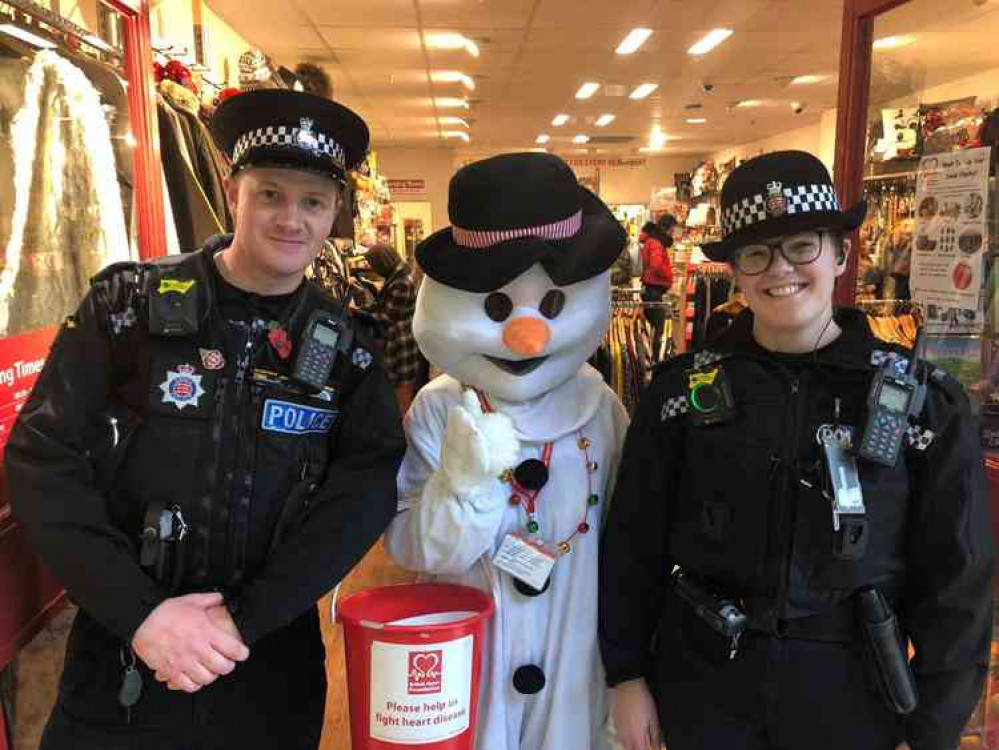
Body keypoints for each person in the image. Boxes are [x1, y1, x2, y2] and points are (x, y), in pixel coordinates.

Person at [6, 89, 406, 750]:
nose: (290, 219)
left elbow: (359, 495)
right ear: (231, 191)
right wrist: (142, 615)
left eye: (312, 201)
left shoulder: (347, 350)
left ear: (334, 211)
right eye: (270, 194)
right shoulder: (126, 307)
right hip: (126, 651)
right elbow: (43, 457)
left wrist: (241, 621)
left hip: (266, 658)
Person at [600, 150, 995, 750]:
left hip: (852, 695)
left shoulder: (921, 405)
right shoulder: (681, 393)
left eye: (802, 245)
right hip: (705, 687)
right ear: (734, 270)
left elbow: (957, 581)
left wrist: (935, 726)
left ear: (839, 253)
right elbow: (634, 543)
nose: (779, 268)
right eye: (756, 252)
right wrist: (626, 675)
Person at [385, 152, 630, 750]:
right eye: (498, 309)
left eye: (549, 307)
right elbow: (414, 548)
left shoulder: (602, 410)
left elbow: (630, 543)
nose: (528, 336)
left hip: (577, 644)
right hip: (472, 641)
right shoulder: (440, 409)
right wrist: (462, 488)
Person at [364, 243, 422, 413]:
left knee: (402, 390)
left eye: (375, 265)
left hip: (401, 342)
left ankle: (402, 431)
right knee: (401, 386)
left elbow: (386, 318)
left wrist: (359, 313)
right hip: (402, 338)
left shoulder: (402, 282)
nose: (374, 270)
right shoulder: (401, 272)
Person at [639, 214, 676, 360]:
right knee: (659, 329)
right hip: (653, 291)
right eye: (672, 230)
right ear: (667, 229)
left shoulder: (653, 241)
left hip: (652, 290)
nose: (673, 233)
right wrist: (667, 275)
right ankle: (656, 360)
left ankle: (653, 359)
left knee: (655, 327)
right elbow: (656, 265)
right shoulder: (656, 243)